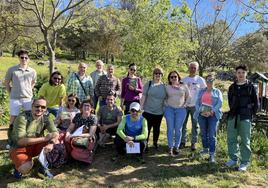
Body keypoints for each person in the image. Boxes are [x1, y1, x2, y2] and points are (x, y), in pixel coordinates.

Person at [8, 97, 59, 179]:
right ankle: (18, 166)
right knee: (25, 168)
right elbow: (21, 141)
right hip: (19, 147)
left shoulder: (46, 118)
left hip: (35, 145)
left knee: (56, 143)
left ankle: (42, 167)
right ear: (32, 106)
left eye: (43, 107)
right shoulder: (22, 118)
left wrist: (51, 144)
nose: (40, 109)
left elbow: (55, 133)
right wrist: (44, 139)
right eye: (37, 106)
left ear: (46, 109)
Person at [225, 65, 258, 171]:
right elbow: (230, 101)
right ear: (236, 74)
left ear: (246, 73)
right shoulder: (232, 87)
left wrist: (251, 114)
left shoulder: (251, 87)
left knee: (245, 140)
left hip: (246, 116)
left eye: (243, 72)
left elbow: (256, 103)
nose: (241, 74)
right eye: (239, 72)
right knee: (231, 138)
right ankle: (233, 159)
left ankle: (244, 162)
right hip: (233, 116)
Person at [4, 49, 37, 131]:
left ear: (28, 59)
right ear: (19, 58)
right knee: (14, 117)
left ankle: (28, 135)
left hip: (28, 98)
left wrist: (28, 90)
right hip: (15, 98)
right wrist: (10, 93)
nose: (24, 59)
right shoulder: (12, 70)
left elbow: (33, 83)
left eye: (26, 58)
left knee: (29, 116)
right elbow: (7, 83)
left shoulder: (32, 71)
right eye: (22, 57)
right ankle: (11, 136)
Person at [194, 75, 223, 163]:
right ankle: (205, 149)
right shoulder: (201, 91)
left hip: (213, 115)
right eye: (208, 80)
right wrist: (201, 111)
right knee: (203, 133)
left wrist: (211, 112)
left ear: (214, 81)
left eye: (212, 80)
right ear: (206, 81)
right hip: (202, 114)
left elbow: (220, 103)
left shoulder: (217, 91)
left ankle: (212, 154)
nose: (210, 81)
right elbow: (197, 102)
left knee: (211, 135)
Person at [181, 61, 206, 151]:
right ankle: (182, 141)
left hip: (196, 106)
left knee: (195, 125)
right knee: (182, 124)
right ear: (188, 68)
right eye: (191, 67)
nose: (192, 69)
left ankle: (193, 142)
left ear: (197, 69)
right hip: (184, 105)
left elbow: (205, 92)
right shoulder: (183, 80)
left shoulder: (200, 80)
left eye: (194, 68)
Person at [140, 67, 166, 150]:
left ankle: (155, 143)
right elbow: (143, 96)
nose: (158, 75)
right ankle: (145, 144)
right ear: (153, 75)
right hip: (148, 111)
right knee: (147, 128)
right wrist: (141, 107)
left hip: (159, 112)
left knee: (157, 129)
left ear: (162, 75)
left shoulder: (164, 86)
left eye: (159, 73)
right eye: (156, 73)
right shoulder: (149, 84)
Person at [164, 71, 189, 156]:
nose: (174, 78)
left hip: (181, 110)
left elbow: (188, 96)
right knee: (170, 128)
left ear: (178, 77)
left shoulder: (184, 86)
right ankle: (170, 147)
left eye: (175, 76)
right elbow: (164, 97)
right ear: (169, 79)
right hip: (169, 109)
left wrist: (185, 105)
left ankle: (176, 147)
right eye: (171, 77)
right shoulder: (167, 87)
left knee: (178, 129)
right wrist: (166, 104)